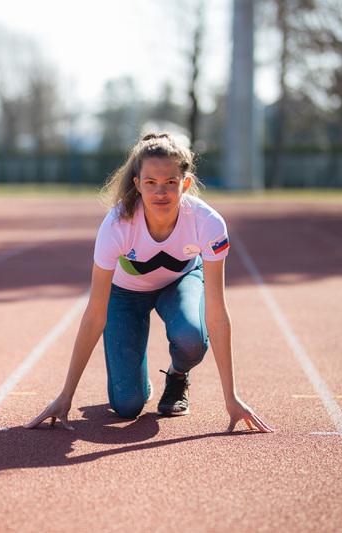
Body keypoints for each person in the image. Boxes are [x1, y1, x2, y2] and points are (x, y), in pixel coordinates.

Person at [25, 132, 272, 433]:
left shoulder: (208, 224)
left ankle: (177, 375)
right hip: (125, 294)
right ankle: (134, 384)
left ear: (186, 184)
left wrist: (231, 397)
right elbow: (94, 314)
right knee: (127, 406)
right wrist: (66, 395)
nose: (161, 192)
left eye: (170, 182)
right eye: (151, 183)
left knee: (192, 337)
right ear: (137, 184)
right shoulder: (117, 225)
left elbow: (217, 312)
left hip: (180, 283)